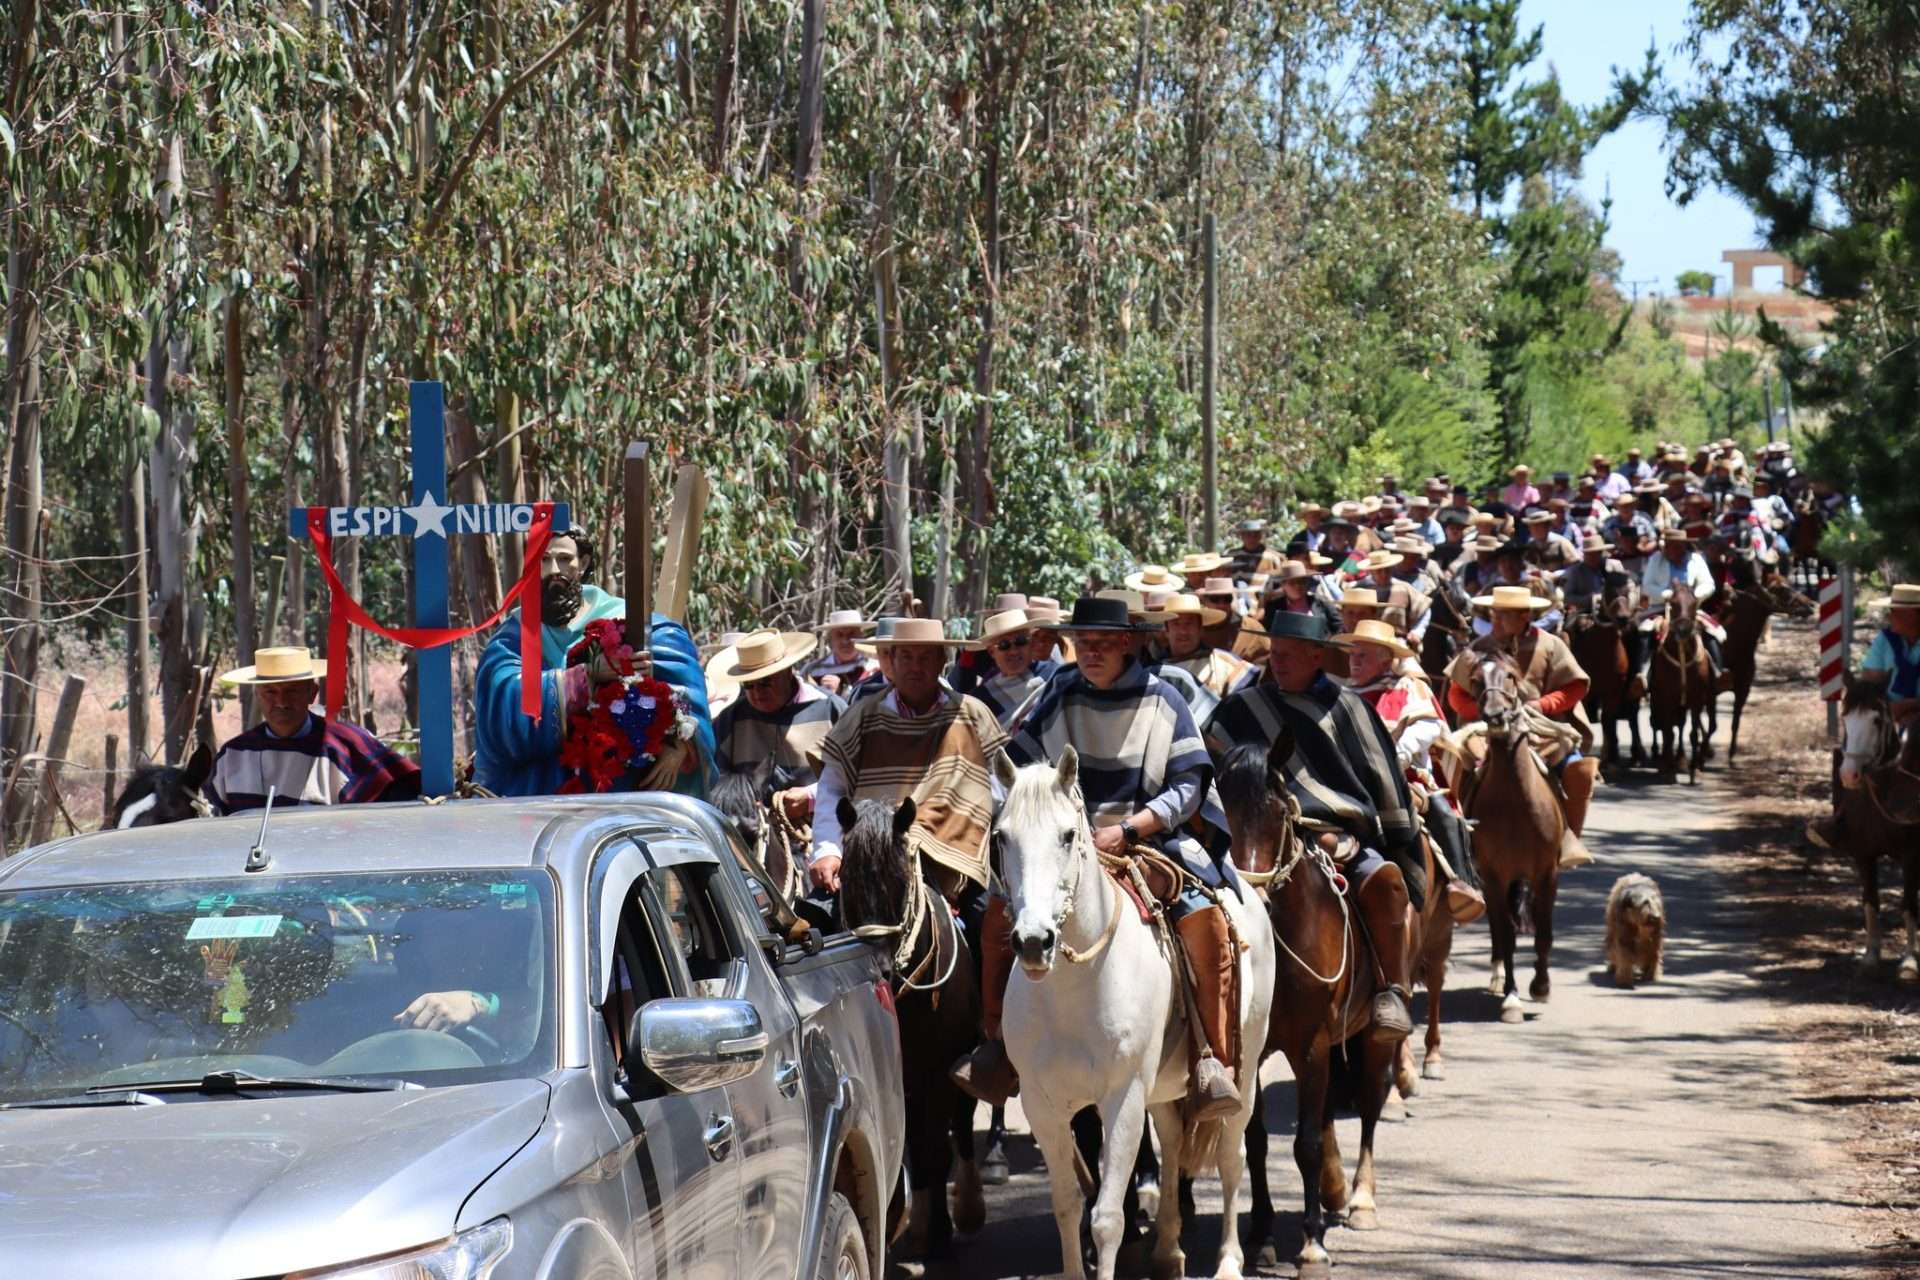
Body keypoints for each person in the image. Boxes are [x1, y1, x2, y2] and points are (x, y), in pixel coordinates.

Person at [956, 597, 1246, 1119]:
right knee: (998, 913)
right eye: (1083, 643)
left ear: (1127, 643)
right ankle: (998, 1046)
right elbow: (1019, 769)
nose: (1091, 652)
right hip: (1066, 845)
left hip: (1150, 840)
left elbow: (1189, 786)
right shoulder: (1061, 694)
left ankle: (1211, 1057)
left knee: (1203, 917)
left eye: (1104, 643)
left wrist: (1130, 828)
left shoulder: (1164, 698)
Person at [1205, 610, 1423, 1044]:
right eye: (1275, 653)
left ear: (1317, 656)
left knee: (1384, 880)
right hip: (1256, 835)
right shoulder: (1243, 707)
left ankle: (1391, 990)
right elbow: (1211, 759)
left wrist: (1386, 835)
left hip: (1335, 833)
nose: (1278, 662)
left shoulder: (1350, 709)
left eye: (1289, 654)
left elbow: (1382, 781)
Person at [474, 525, 713, 796]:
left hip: (625, 796)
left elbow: (680, 678)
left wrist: (680, 745)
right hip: (542, 797)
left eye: (564, 559)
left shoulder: (627, 621)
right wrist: (584, 678)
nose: (554, 570)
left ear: (583, 562)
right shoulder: (515, 635)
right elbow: (500, 704)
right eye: (544, 560)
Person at [1336, 619, 1485, 922]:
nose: (1354, 661)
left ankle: (1461, 881)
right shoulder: (1341, 694)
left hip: (1405, 778)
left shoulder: (1407, 687)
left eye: (1363, 655)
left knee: (1442, 812)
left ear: (1385, 660)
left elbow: (1429, 726)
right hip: (1349, 781)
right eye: (1352, 654)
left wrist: (1397, 755)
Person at [1444, 586, 1598, 869]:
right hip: (1485, 730)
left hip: (1540, 729)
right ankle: (1460, 838)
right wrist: (1484, 710)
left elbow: (1576, 686)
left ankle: (1568, 839)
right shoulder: (1478, 649)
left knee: (1580, 771)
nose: (1495, 621)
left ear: (1524, 616)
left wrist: (1543, 705)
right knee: (1450, 763)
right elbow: (1456, 694)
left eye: (1503, 615)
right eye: (1494, 614)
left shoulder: (1550, 645)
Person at [206, 646, 421, 814]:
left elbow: (402, 798)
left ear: (312, 693)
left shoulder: (346, 746)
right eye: (270, 692)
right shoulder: (232, 756)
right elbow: (216, 823)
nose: (281, 702)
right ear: (257, 695)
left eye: (292, 691)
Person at [711, 630, 844, 822]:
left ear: (787, 671)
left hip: (822, 826)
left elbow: (855, 774)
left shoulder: (830, 709)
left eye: (765, 682)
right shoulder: (731, 718)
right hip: (751, 830)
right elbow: (716, 780)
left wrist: (812, 797)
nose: (757, 692)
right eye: (749, 684)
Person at [1639, 527, 1728, 683]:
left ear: (1682, 545)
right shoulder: (1656, 559)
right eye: (1668, 545)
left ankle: (1718, 672)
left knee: (1712, 633)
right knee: (1645, 632)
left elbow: (1708, 584)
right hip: (1661, 608)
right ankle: (1642, 675)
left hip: (1689, 610)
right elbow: (1647, 585)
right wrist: (1666, 595)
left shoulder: (1695, 559)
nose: (1670, 549)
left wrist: (1694, 596)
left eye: (1675, 545)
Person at [1160, 592, 1259, 699]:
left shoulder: (1224, 664)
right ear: (1166, 631)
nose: (1183, 631)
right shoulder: (1155, 670)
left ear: (1200, 630)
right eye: (1176, 624)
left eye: (1189, 623)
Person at [968, 609, 1055, 728]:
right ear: (992, 652)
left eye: (1020, 641)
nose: (1013, 651)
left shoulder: (1053, 677)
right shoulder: (981, 698)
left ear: (1031, 643)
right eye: (1004, 645)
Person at [1859, 584, 1920, 727]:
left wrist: (1909, 707)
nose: (1888, 617)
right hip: (1888, 716)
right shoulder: (1885, 640)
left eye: (1893, 611)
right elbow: (1869, 684)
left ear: (1912, 615)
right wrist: (1887, 708)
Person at [801, 609, 882, 693]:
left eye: (851, 634)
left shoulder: (875, 668)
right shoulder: (812, 670)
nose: (845, 641)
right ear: (831, 638)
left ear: (861, 636)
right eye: (839, 635)